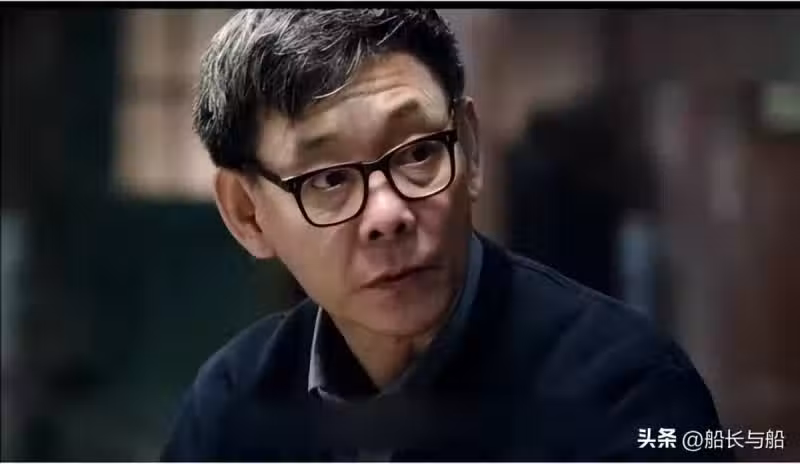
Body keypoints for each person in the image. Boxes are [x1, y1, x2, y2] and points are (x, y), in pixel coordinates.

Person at [162, 9, 730, 461]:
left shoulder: (626, 392)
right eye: (329, 178)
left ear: (471, 150)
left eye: (418, 153)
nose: (388, 214)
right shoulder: (230, 406)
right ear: (248, 214)